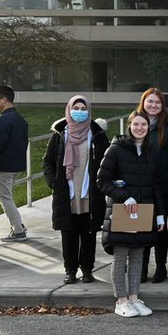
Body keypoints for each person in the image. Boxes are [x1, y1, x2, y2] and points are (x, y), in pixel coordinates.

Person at [98, 111, 166, 318]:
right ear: (129, 126)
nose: (140, 128)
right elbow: (102, 181)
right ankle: (121, 301)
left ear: (148, 128)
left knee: (138, 257)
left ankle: (134, 298)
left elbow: (156, 186)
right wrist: (124, 197)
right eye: (136, 124)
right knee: (120, 258)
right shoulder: (116, 150)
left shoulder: (152, 152)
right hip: (121, 212)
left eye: (143, 125)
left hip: (143, 212)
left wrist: (160, 215)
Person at [42, 95, 108, 284]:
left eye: (83, 108)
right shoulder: (60, 134)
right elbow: (48, 162)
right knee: (68, 234)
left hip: (89, 193)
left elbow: (107, 161)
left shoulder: (97, 135)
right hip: (67, 194)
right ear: (69, 109)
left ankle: (87, 269)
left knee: (88, 234)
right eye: (76, 108)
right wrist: (53, 182)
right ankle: (70, 270)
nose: (79, 112)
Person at [137, 87, 168, 283]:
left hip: (162, 184)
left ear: (162, 105)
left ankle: (161, 268)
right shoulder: (135, 121)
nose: (153, 105)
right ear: (143, 102)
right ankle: (142, 267)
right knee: (142, 224)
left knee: (160, 225)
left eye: (157, 102)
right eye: (150, 101)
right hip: (140, 184)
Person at [0, 85, 29, 242]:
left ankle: (18, 230)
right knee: (5, 195)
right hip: (16, 165)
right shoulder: (19, 119)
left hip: (4, 166)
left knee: (4, 196)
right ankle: (18, 226)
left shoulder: (3, 120)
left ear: (5, 99)